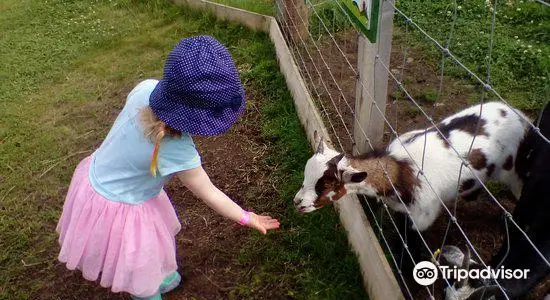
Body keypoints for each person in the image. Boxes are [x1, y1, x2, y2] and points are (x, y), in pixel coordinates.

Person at [56, 36, 280, 300]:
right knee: (138, 260)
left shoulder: (145, 89)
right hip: (121, 206)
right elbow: (209, 193)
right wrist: (247, 217)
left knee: (151, 249)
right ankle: (148, 292)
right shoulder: (175, 149)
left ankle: (162, 276)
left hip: (94, 179)